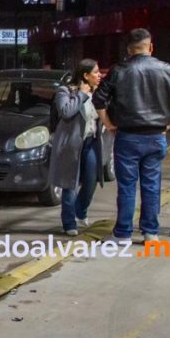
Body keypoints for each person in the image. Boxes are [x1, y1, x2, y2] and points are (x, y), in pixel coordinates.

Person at [93, 29, 170, 244]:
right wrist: (169, 123)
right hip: (156, 136)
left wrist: (109, 123)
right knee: (151, 185)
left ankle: (123, 234)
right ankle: (150, 233)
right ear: (151, 46)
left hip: (127, 136)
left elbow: (99, 99)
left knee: (127, 187)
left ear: (129, 49)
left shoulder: (119, 71)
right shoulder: (167, 70)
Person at [49, 59, 103, 236]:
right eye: (95, 72)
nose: (99, 75)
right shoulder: (65, 91)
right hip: (71, 145)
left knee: (91, 180)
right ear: (85, 75)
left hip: (91, 142)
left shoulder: (98, 93)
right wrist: (81, 94)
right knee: (69, 183)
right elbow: (65, 112)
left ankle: (81, 210)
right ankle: (69, 222)